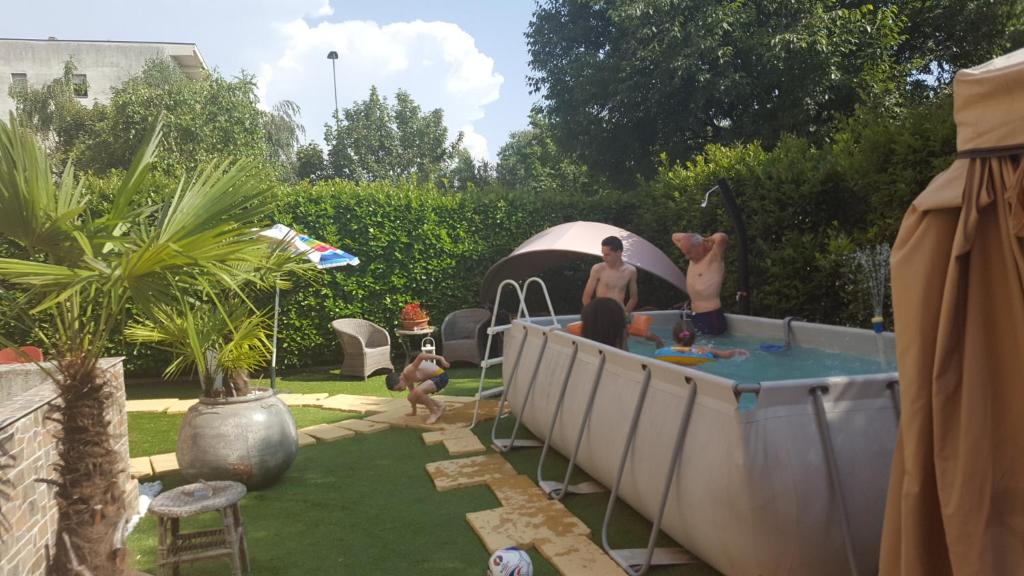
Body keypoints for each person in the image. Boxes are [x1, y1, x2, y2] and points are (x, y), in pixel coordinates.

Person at [672, 231, 729, 335]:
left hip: (711, 315)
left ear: (699, 247)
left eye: (689, 253)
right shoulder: (693, 258)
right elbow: (674, 236)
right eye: (685, 253)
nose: (687, 257)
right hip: (695, 314)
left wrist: (706, 240)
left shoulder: (714, 257)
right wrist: (696, 239)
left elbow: (722, 237)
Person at [385, 352, 451, 424]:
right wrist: (414, 412)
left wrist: (441, 358)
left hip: (441, 377)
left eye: (399, 388)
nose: (400, 391)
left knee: (417, 391)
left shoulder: (408, 371)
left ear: (400, 378)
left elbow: (421, 356)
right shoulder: (407, 380)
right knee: (411, 397)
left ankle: (434, 413)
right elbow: (413, 397)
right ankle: (439, 404)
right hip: (433, 380)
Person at [582, 236, 638, 314]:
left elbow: (633, 298)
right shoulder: (598, 269)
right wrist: (593, 315)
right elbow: (586, 297)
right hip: (601, 311)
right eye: (603, 254)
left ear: (619, 252)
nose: (604, 258)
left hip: (619, 312)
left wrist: (625, 314)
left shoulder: (631, 271)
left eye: (608, 255)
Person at [669, 320, 748, 359]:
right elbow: (725, 355)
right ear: (694, 338)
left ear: (674, 337)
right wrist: (736, 352)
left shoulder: (667, 351)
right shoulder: (701, 350)